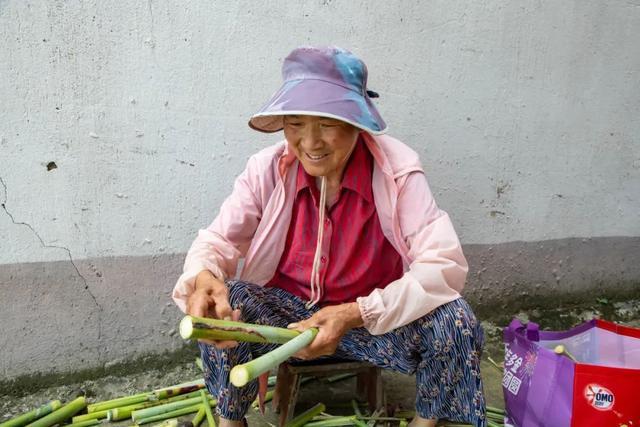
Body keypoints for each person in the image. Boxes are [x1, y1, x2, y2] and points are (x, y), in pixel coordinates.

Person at [173, 46, 486, 427]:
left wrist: (354, 313)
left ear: (357, 123)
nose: (310, 142)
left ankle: (425, 423)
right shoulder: (268, 169)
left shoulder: (397, 172)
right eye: (296, 123)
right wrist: (205, 278)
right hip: (285, 321)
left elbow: (444, 265)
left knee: (456, 320)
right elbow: (218, 239)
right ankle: (230, 423)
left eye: (327, 123)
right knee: (230, 301)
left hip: (369, 322)